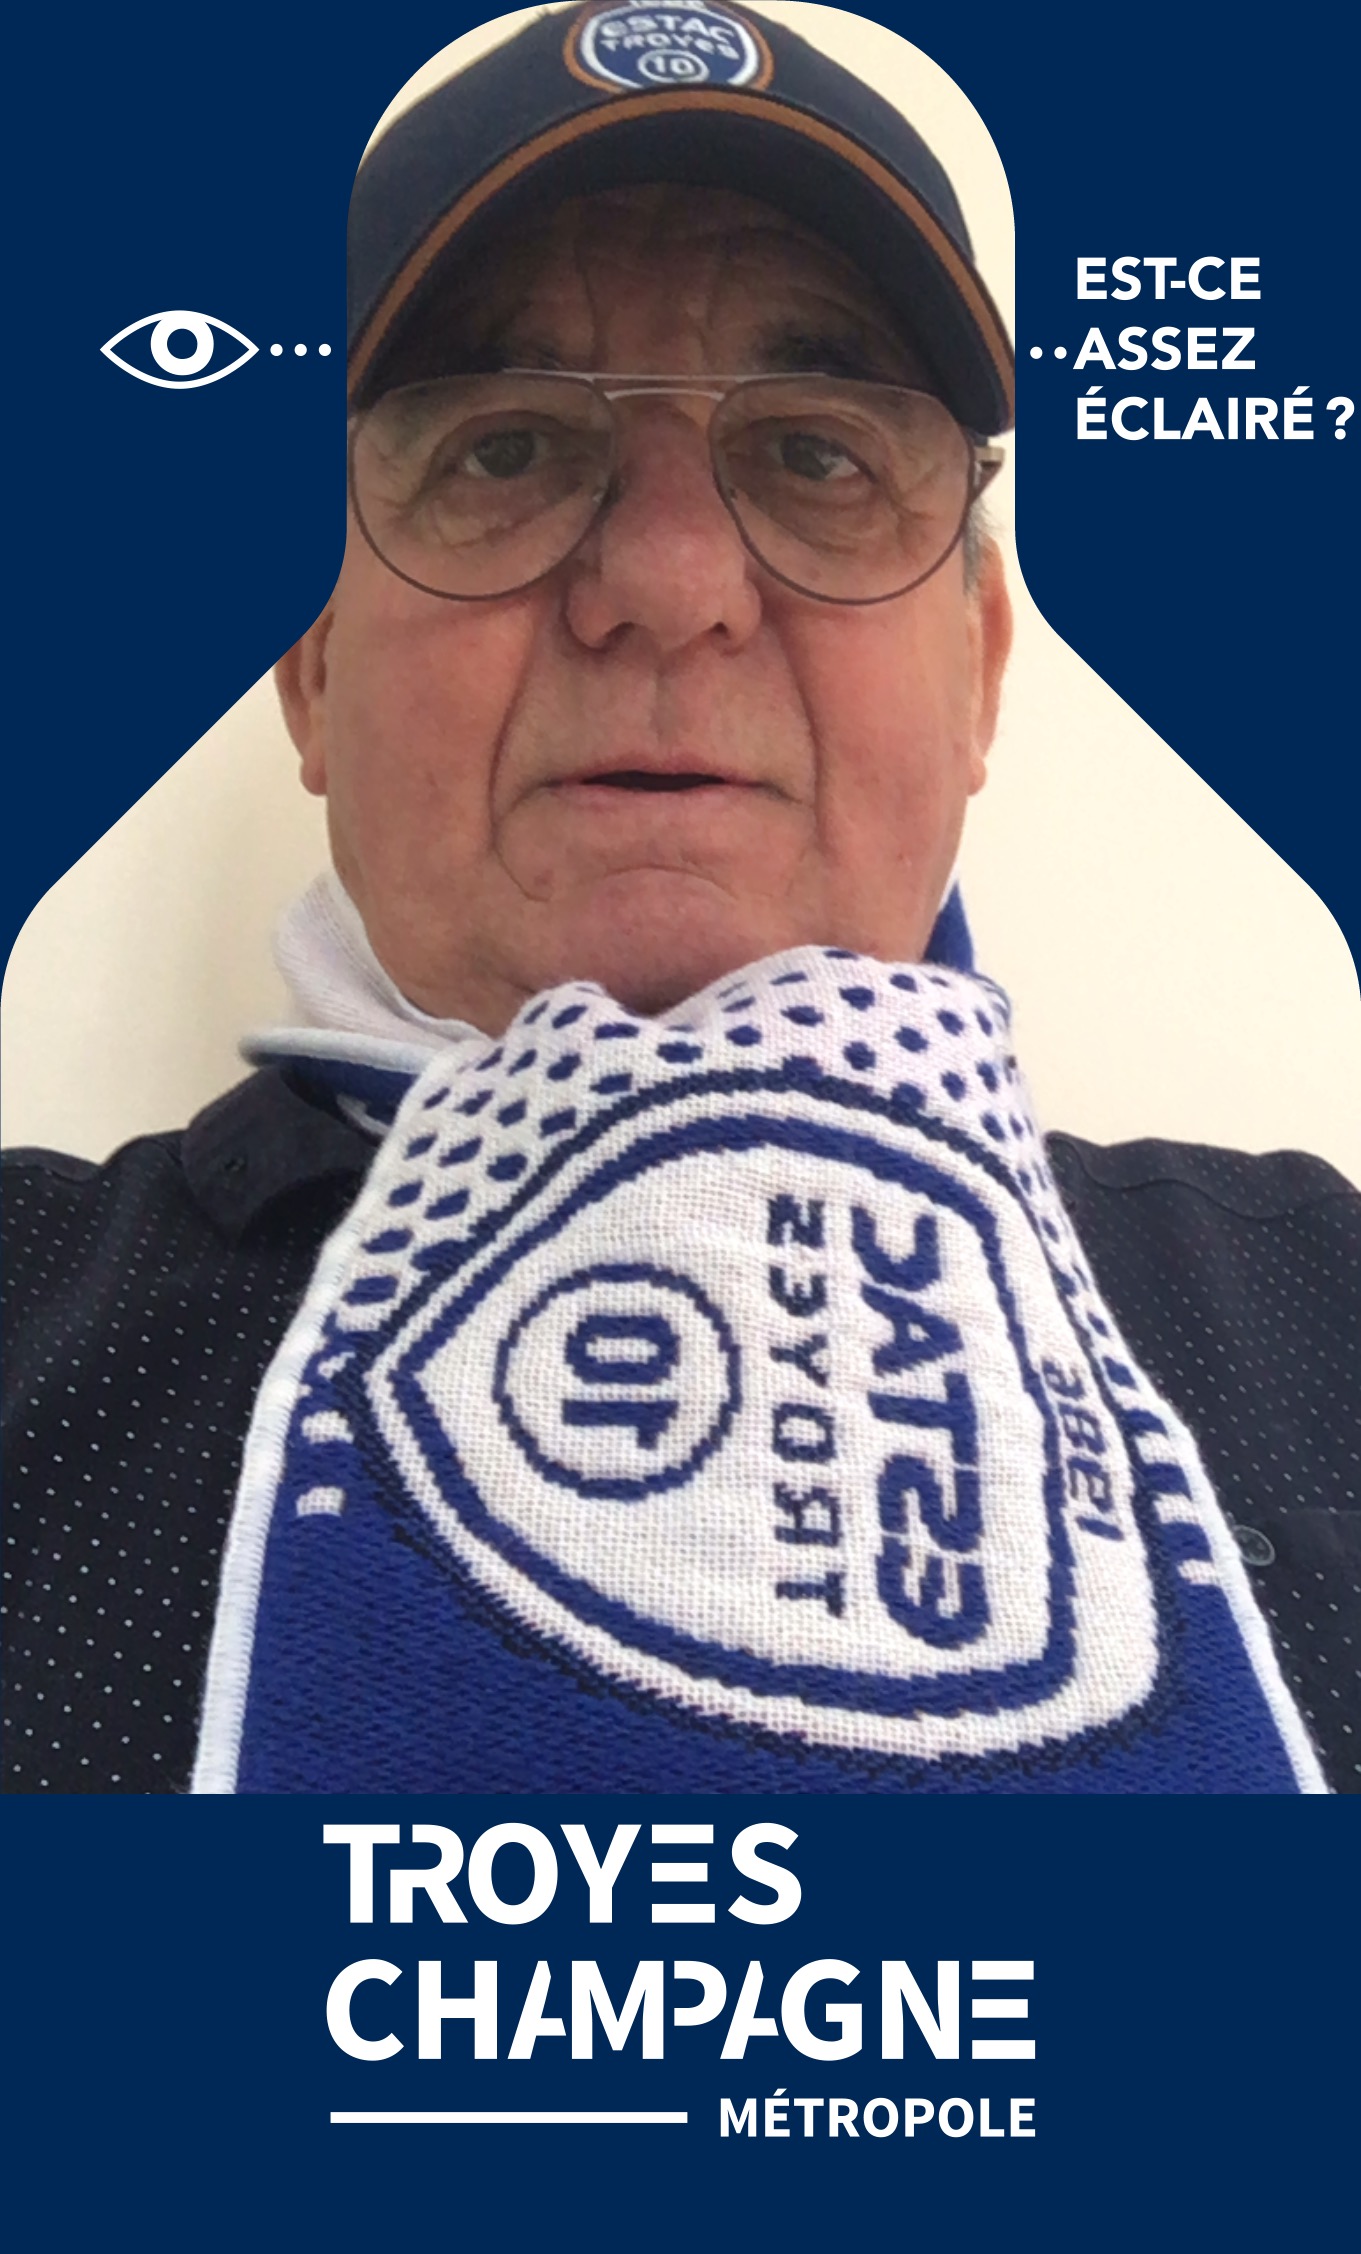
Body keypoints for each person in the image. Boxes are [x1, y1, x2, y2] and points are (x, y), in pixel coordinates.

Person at [4, 3, 1356, 1795]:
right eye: (503, 449)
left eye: (818, 452)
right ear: (309, 666)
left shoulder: (1328, 1314)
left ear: (978, 670)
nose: (666, 579)